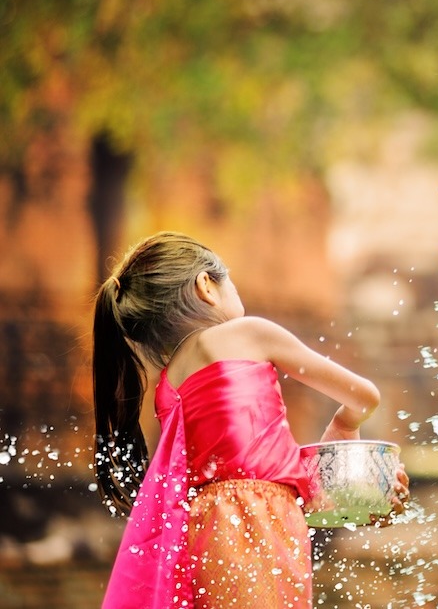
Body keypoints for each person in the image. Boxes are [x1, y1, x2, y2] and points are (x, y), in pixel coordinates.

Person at [92, 231, 409, 609]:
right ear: (206, 286)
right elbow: (364, 395)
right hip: (256, 520)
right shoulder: (247, 333)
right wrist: (345, 427)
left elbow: (241, 464)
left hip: (201, 527)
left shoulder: (168, 382)